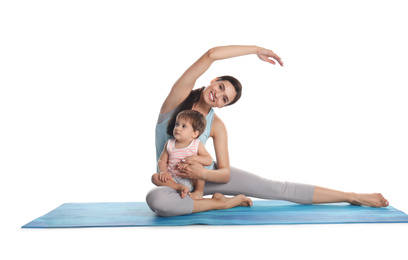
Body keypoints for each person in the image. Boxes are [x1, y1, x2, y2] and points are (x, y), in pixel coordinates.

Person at [146, 45, 389, 217]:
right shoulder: (176, 102)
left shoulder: (216, 125)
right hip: (174, 182)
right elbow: (211, 54)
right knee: (157, 201)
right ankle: (221, 204)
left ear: (224, 105)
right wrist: (254, 50)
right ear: (214, 79)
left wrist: (202, 172)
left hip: (203, 180)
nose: (217, 96)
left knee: (275, 188)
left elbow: (225, 174)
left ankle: (351, 196)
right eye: (220, 87)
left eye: (224, 98)